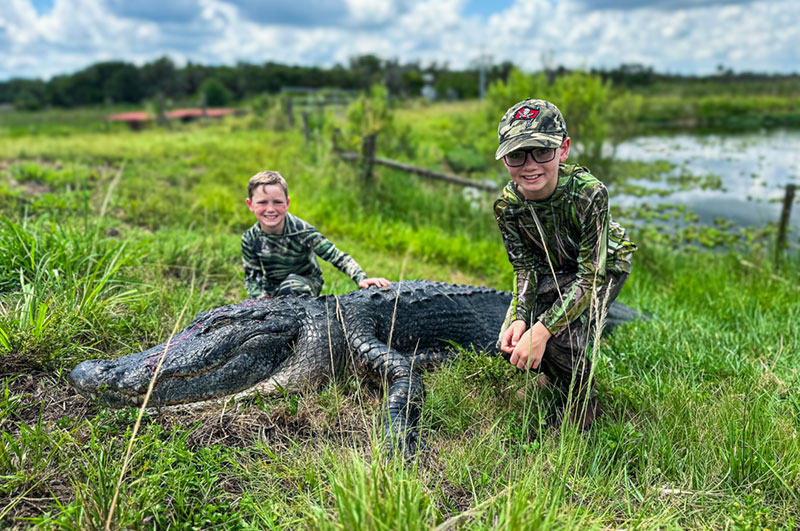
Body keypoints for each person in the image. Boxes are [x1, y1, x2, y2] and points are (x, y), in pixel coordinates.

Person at [493, 99, 636, 429]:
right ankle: (555, 378)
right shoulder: (508, 207)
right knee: (511, 340)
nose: (530, 165)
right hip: (553, 267)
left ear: (563, 149)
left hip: (602, 267)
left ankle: (584, 403)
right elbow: (525, 267)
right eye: (517, 155)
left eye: (542, 151)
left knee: (560, 336)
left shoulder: (589, 194)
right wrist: (520, 318)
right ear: (504, 159)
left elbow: (590, 276)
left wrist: (543, 330)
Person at [242, 170, 391, 298]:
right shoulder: (250, 238)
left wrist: (361, 278)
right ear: (250, 204)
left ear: (287, 204)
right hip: (272, 287)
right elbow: (252, 279)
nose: (270, 209)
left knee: (291, 286)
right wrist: (261, 300)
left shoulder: (302, 231)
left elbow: (336, 256)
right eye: (262, 202)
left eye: (277, 202)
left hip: (305, 282)